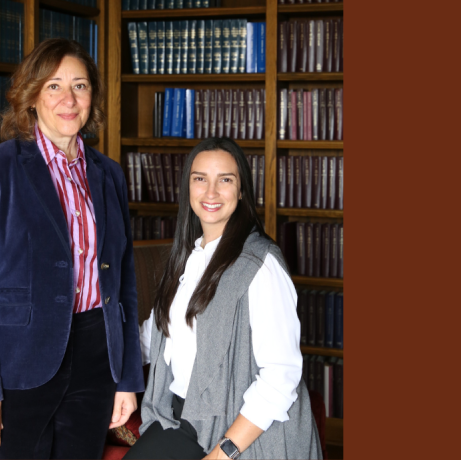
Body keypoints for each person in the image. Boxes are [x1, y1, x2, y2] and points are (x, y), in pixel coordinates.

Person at [0, 38, 144, 459]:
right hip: (18, 364)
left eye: (80, 86)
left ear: (92, 97)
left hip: (96, 361)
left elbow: (124, 284)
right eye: (54, 86)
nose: (68, 99)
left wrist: (128, 377)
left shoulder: (109, 175)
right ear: (32, 96)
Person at [125, 138, 322, 459]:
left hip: (244, 430)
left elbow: (281, 375)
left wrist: (222, 453)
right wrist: (105, 367)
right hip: (183, 418)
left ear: (241, 190)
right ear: (188, 187)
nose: (211, 192)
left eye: (225, 180)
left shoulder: (261, 264)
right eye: (200, 178)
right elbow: (152, 340)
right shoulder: (186, 259)